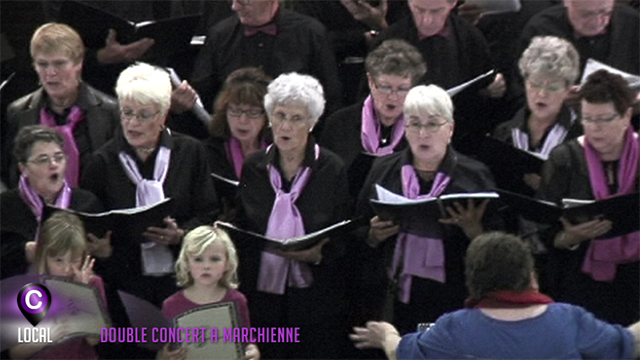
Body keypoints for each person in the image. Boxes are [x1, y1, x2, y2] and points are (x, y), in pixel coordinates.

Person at [350, 231, 640, 360]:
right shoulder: (570, 320)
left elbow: (400, 353)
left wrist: (385, 334)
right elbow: (629, 343)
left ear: (474, 281)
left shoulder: (452, 329)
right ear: (531, 277)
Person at [354, 84, 502, 334]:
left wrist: (473, 230)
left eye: (433, 124)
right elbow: (356, 229)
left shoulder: (474, 176)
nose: (423, 134)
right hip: (394, 296)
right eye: (414, 123)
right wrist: (372, 235)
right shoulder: (384, 170)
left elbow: (498, 249)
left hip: (454, 298)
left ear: (450, 129)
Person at [79, 62, 218, 307]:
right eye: (127, 112)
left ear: (163, 115)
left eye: (144, 114)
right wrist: (103, 247)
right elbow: (94, 224)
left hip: (183, 276)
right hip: (124, 279)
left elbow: (208, 213)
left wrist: (181, 235)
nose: (133, 123)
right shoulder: (101, 162)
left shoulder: (190, 152)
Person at [235, 73, 350, 359]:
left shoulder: (331, 168)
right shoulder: (254, 167)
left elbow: (344, 235)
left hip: (314, 296)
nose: (285, 125)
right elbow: (243, 224)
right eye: (280, 115)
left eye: (297, 118)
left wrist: (318, 255)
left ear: (312, 123)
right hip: (262, 294)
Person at [536, 69, 639, 326]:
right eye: (588, 119)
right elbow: (539, 231)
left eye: (604, 119)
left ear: (626, 115)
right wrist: (570, 237)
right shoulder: (565, 159)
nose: (595, 129)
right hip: (579, 278)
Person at [371, 0, 507, 153]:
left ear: (453, 4)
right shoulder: (388, 41)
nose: (427, 20)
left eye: (436, 11)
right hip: (403, 143)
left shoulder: (470, 37)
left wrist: (491, 90)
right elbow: (369, 105)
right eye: (419, 10)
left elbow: (483, 91)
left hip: (459, 141)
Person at [186, 0, 343, 131]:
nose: (235, 7)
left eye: (243, 1)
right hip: (234, 141)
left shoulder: (310, 33)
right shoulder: (220, 35)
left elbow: (330, 99)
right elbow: (203, 93)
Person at [3, 23, 119, 188]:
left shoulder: (110, 112)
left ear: (78, 63)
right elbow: (12, 174)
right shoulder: (18, 112)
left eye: (59, 64)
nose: (50, 73)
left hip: (93, 208)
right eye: (42, 64)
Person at [320, 39, 426, 199]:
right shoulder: (339, 124)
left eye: (402, 89)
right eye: (385, 86)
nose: (393, 96)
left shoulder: (422, 127)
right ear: (370, 81)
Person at [0, 126, 106, 280]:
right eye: (43, 160)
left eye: (59, 157)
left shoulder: (86, 203)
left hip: (77, 292)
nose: (54, 164)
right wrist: (25, 252)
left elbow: (105, 265)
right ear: (23, 168)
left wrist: (104, 252)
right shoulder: (5, 206)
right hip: (18, 294)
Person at [492, 36, 583, 195]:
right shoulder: (504, 132)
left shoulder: (581, 135)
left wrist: (551, 188)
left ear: (568, 89)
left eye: (552, 87)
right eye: (535, 84)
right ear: (525, 82)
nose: (541, 94)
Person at [10, 211, 106, 360]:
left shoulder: (91, 283)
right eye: (59, 261)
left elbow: (94, 340)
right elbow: (15, 353)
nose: (67, 269)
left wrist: (82, 294)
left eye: (74, 260)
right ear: (43, 256)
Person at [159, 225, 259, 360]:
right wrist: (164, 357)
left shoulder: (237, 300)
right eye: (198, 259)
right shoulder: (171, 305)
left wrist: (254, 353)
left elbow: (248, 343)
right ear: (187, 264)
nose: (206, 266)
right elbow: (164, 349)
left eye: (215, 259)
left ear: (227, 264)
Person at [516, 0, 639, 103]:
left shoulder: (633, 23)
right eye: (586, 15)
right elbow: (519, 92)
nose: (597, 22)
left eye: (605, 13)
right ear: (566, 3)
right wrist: (554, 98)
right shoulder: (540, 29)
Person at [294, 0, 410, 105]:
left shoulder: (397, 4)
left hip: (387, 80)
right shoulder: (312, 4)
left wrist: (379, 23)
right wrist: (362, 39)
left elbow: (409, 47)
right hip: (334, 83)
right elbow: (312, 42)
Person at [204, 67, 271, 219]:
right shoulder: (208, 152)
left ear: (267, 115)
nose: (242, 121)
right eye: (235, 110)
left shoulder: (280, 151)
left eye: (252, 112)